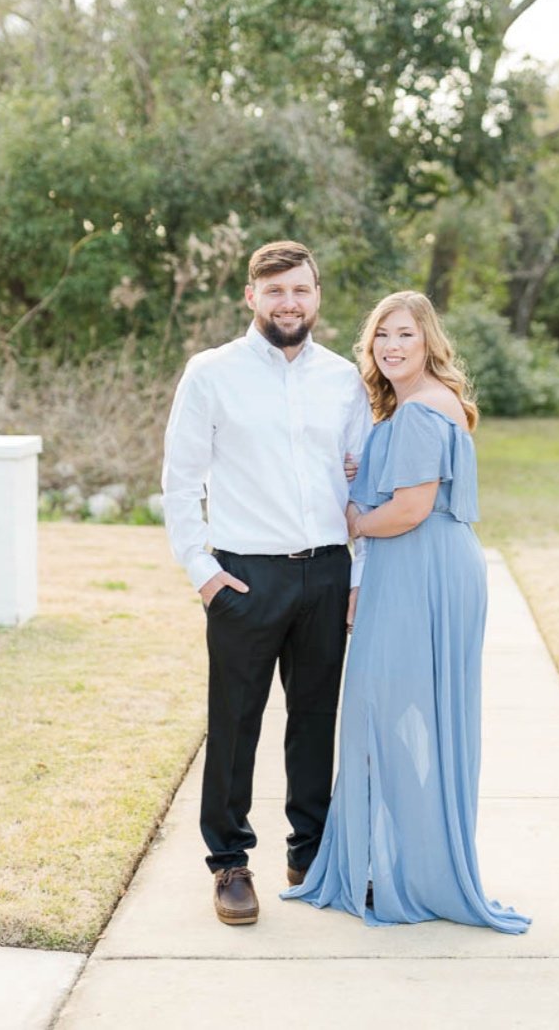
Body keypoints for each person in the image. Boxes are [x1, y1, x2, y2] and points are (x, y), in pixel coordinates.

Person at [283, 290, 529, 933]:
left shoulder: (421, 411)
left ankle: (396, 872)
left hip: (423, 568)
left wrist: (356, 519)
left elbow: (410, 509)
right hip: (416, 568)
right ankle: (395, 863)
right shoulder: (414, 408)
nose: (392, 347)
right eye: (382, 337)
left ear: (428, 344)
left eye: (406, 336)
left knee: (386, 714)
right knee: (400, 715)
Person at [162, 240, 371, 926]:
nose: (289, 303)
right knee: (234, 724)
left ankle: (308, 851)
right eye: (275, 291)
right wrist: (204, 573)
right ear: (250, 296)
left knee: (314, 721)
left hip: (326, 572)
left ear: (317, 298)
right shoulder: (212, 372)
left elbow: (359, 481)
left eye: (301, 291)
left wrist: (356, 574)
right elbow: (180, 477)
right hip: (244, 577)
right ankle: (229, 863)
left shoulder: (344, 379)